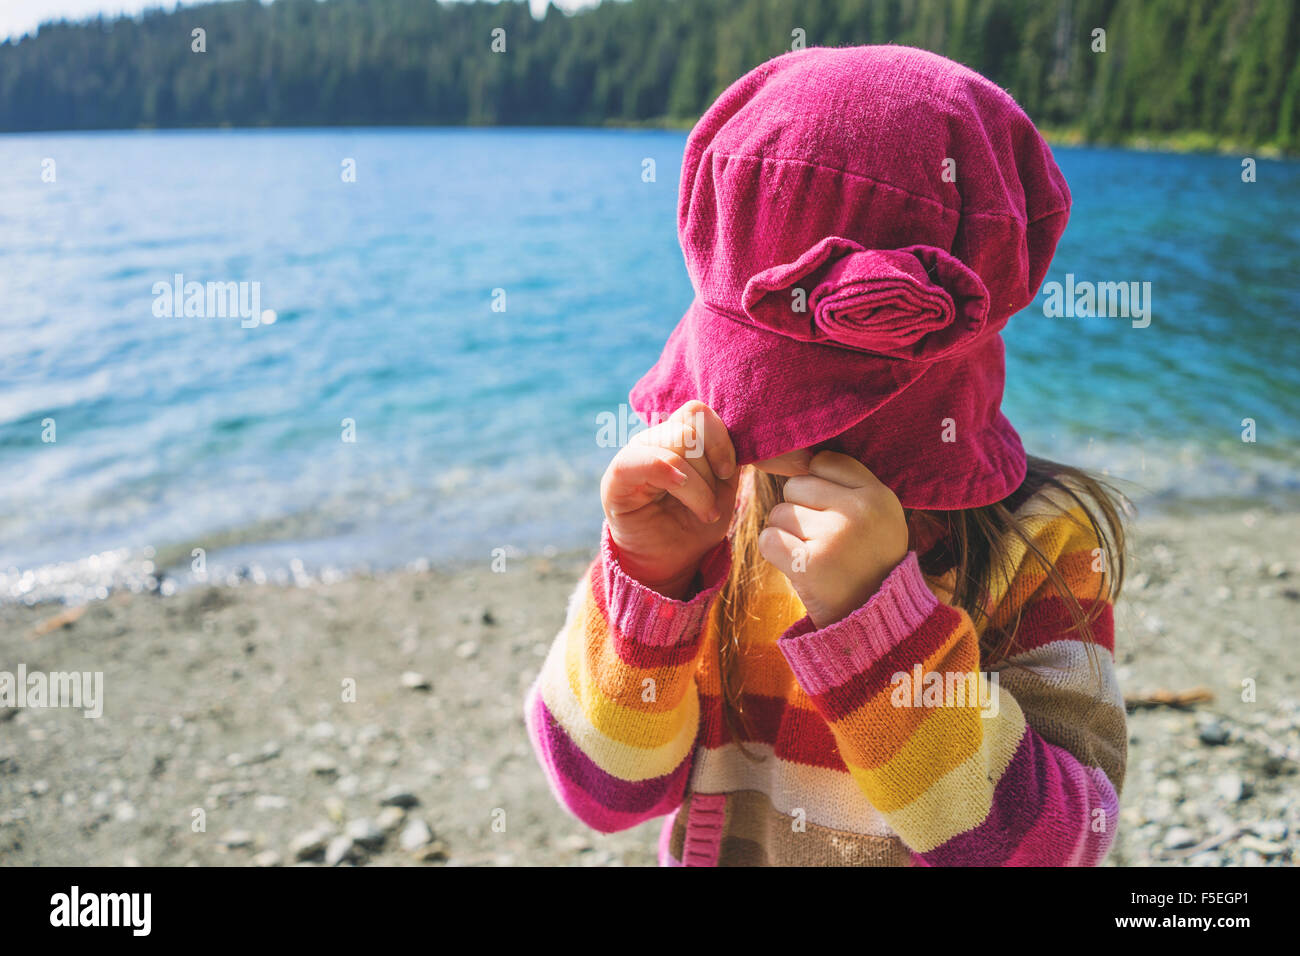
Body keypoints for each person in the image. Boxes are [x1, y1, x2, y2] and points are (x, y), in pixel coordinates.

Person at [525, 45, 1128, 866]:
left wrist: (884, 636)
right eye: (745, 381)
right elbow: (603, 792)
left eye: (789, 393)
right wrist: (651, 587)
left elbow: (1063, 847)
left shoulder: (1044, 539)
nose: (749, 429)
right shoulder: (724, 508)